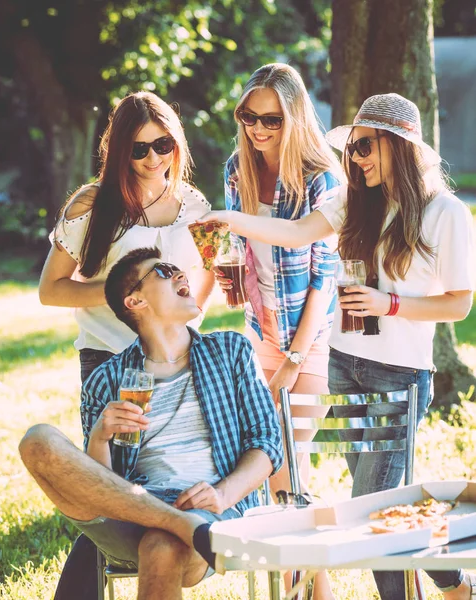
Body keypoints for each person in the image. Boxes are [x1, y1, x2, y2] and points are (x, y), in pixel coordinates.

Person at [199, 92, 476, 600]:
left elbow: (459, 304)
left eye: (365, 147)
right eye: (352, 150)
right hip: (345, 366)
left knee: (371, 505)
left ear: (400, 146)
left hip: (400, 375)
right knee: (385, 500)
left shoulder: (445, 213)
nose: (356, 159)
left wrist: (387, 305)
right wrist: (229, 219)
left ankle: (439, 584)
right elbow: (295, 232)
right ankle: (455, 581)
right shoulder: (355, 202)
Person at [20, 246, 283, 600]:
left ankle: (181, 526)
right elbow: (101, 490)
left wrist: (222, 494)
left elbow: (267, 442)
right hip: (133, 513)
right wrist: (99, 437)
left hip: (215, 513)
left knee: (161, 545)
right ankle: (179, 524)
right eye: (162, 271)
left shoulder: (230, 351)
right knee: (38, 440)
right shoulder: (107, 379)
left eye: (178, 269)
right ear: (135, 302)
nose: (180, 274)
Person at [38, 91, 215, 599]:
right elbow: (51, 289)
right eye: (139, 150)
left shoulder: (193, 206)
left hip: (171, 361)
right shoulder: (92, 204)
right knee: (112, 481)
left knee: (150, 481)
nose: (153, 158)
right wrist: (126, 294)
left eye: (162, 144)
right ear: (118, 152)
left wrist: (182, 317)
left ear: (176, 142)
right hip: (110, 359)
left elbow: (204, 279)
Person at [217, 63, 341, 498]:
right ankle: (314, 568)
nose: (258, 129)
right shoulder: (238, 169)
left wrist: (294, 358)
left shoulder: (319, 179)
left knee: (283, 463)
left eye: (272, 119)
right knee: (284, 472)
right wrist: (235, 279)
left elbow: (324, 280)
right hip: (261, 332)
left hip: (311, 339)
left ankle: (302, 565)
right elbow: (240, 247)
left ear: (295, 118)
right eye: (249, 117)